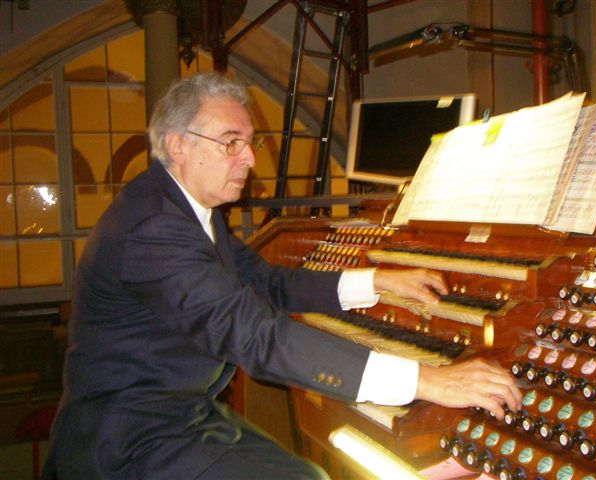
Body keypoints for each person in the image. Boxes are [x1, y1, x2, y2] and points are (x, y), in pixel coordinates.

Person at [43, 72, 521, 479]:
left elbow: (269, 284)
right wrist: (428, 380)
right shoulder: (154, 229)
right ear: (177, 146)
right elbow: (255, 335)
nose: (249, 159)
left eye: (249, 143)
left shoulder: (188, 211)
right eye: (231, 142)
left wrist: (377, 281)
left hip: (179, 413)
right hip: (127, 438)